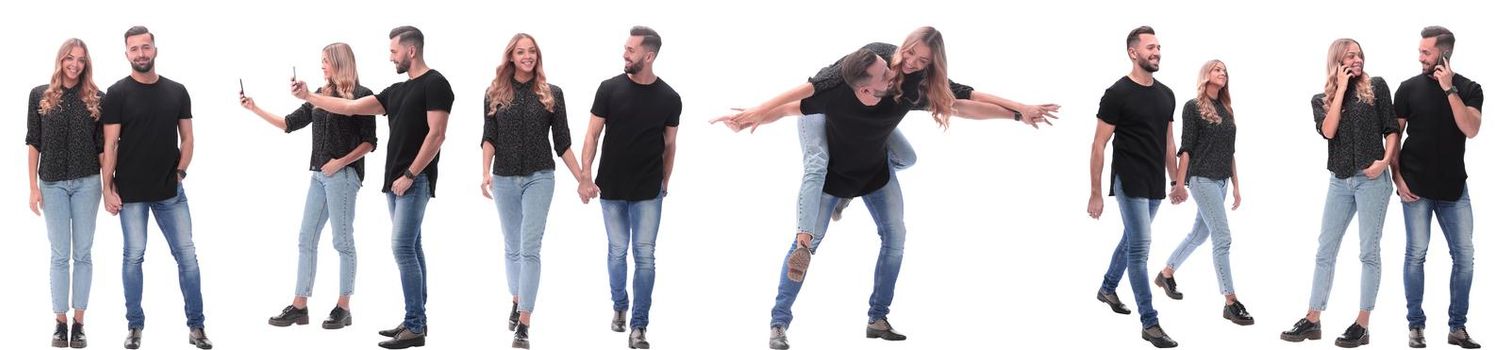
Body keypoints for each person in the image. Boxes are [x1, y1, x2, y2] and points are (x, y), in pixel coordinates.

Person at [715, 26, 1058, 282]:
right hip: (822, 112)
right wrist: (758, 111)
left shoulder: (916, 84)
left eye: (922, 61)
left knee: (906, 159)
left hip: (871, 121)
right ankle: (805, 241)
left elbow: (963, 99)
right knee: (818, 164)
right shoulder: (874, 56)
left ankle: (848, 193)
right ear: (903, 45)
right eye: (910, 53)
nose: (910, 63)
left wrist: (1018, 110)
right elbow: (811, 90)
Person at [291, 26, 454, 350]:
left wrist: (410, 174)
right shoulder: (395, 90)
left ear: (411, 51)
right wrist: (309, 96)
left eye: (394, 51)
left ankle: (415, 326)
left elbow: (436, 135)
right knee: (413, 248)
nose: (389, 56)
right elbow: (350, 107)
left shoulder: (436, 83)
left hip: (413, 179)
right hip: (394, 182)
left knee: (402, 248)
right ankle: (413, 320)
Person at [240, 42, 376, 331]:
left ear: (340, 62)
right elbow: (289, 123)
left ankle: (343, 307)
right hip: (318, 176)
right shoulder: (320, 95)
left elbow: (370, 143)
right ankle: (299, 306)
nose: (322, 66)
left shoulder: (363, 97)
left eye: (326, 61)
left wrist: (340, 162)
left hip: (343, 176)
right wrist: (254, 108)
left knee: (342, 241)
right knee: (305, 238)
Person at [1280, 38, 1399, 349]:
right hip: (1339, 181)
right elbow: (1329, 131)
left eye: (1359, 54)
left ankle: (1362, 325)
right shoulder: (1321, 99)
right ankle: (1312, 319)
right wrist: (1342, 89)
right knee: (1325, 250)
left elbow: (1391, 129)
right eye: (1350, 55)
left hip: (1372, 179)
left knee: (1368, 253)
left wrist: (1384, 163)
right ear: (1337, 61)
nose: (1357, 58)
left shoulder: (1378, 87)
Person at [100, 26, 213, 349]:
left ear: (155, 50)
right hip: (131, 193)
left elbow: (188, 138)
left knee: (187, 257)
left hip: (170, 191)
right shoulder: (117, 93)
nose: (141, 54)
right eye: (134, 49)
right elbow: (110, 145)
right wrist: (107, 189)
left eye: (145, 47)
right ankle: (134, 327)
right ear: (126, 54)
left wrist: (180, 173)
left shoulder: (177, 91)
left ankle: (197, 327)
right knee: (133, 257)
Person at [478, 33, 590, 349]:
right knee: (512, 246)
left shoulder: (551, 94)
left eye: (532, 51)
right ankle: (517, 298)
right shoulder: (493, 93)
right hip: (504, 178)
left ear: (537, 56)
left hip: (540, 177)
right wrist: (485, 171)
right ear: (511, 57)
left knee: (530, 248)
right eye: (521, 52)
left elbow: (563, 142)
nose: (527, 56)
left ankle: (524, 322)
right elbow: (489, 137)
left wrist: (582, 178)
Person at [577, 26, 681, 350]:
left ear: (648, 56)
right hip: (611, 190)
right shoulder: (609, 89)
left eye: (631, 50)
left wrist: (666, 180)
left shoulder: (670, 98)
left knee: (645, 256)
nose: (625, 53)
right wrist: (585, 175)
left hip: (648, 192)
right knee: (617, 251)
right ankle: (619, 303)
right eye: (625, 47)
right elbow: (592, 135)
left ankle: (639, 326)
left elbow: (670, 144)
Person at [1086, 25, 1181, 348]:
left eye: (1158, 47)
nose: (1156, 52)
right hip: (1128, 180)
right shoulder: (1117, 94)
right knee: (1140, 249)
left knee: (1130, 240)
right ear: (1133, 52)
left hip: (1155, 182)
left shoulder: (1167, 94)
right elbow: (1099, 144)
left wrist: (1175, 180)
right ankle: (1150, 322)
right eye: (1150, 48)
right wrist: (1096, 192)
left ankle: (1108, 287)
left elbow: (1169, 142)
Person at [1392, 26, 1483, 349]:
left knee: (1465, 257)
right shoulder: (1407, 88)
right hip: (1414, 188)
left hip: (1454, 189)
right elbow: (1393, 139)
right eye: (1420, 51)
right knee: (1416, 255)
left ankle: (1457, 328)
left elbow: (1470, 129)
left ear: (1443, 54)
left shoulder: (1470, 89)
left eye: (1426, 52)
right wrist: (1397, 178)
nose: (1420, 56)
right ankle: (1415, 326)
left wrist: (1449, 90)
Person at [1153, 59, 1254, 326]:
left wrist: (1236, 186)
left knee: (1199, 234)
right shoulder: (1193, 107)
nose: (1223, 73)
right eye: (1217, 69)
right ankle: (1230, 301)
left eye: (1225, 70)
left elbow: (1230, 151)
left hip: (1221, 182)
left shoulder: (1226, 109)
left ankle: (1166, 272)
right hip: (1201, 180)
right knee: (1223, 238)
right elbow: (1186, 148)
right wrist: (1178, 183)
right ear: (1206, 75)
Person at [27, 37, 104, 349]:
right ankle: (60, 323)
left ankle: (80, 323)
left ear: (86, 64)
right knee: (60, 255)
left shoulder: (98, 97)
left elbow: (102, 147)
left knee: (83, 254)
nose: (75, 65)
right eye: (69, 58)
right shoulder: (39, 96)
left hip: (87, 182)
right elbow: (34, 142)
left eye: (81, 60)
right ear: (60, 60)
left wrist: (109, 185)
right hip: (52, 183)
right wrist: (32, 186)